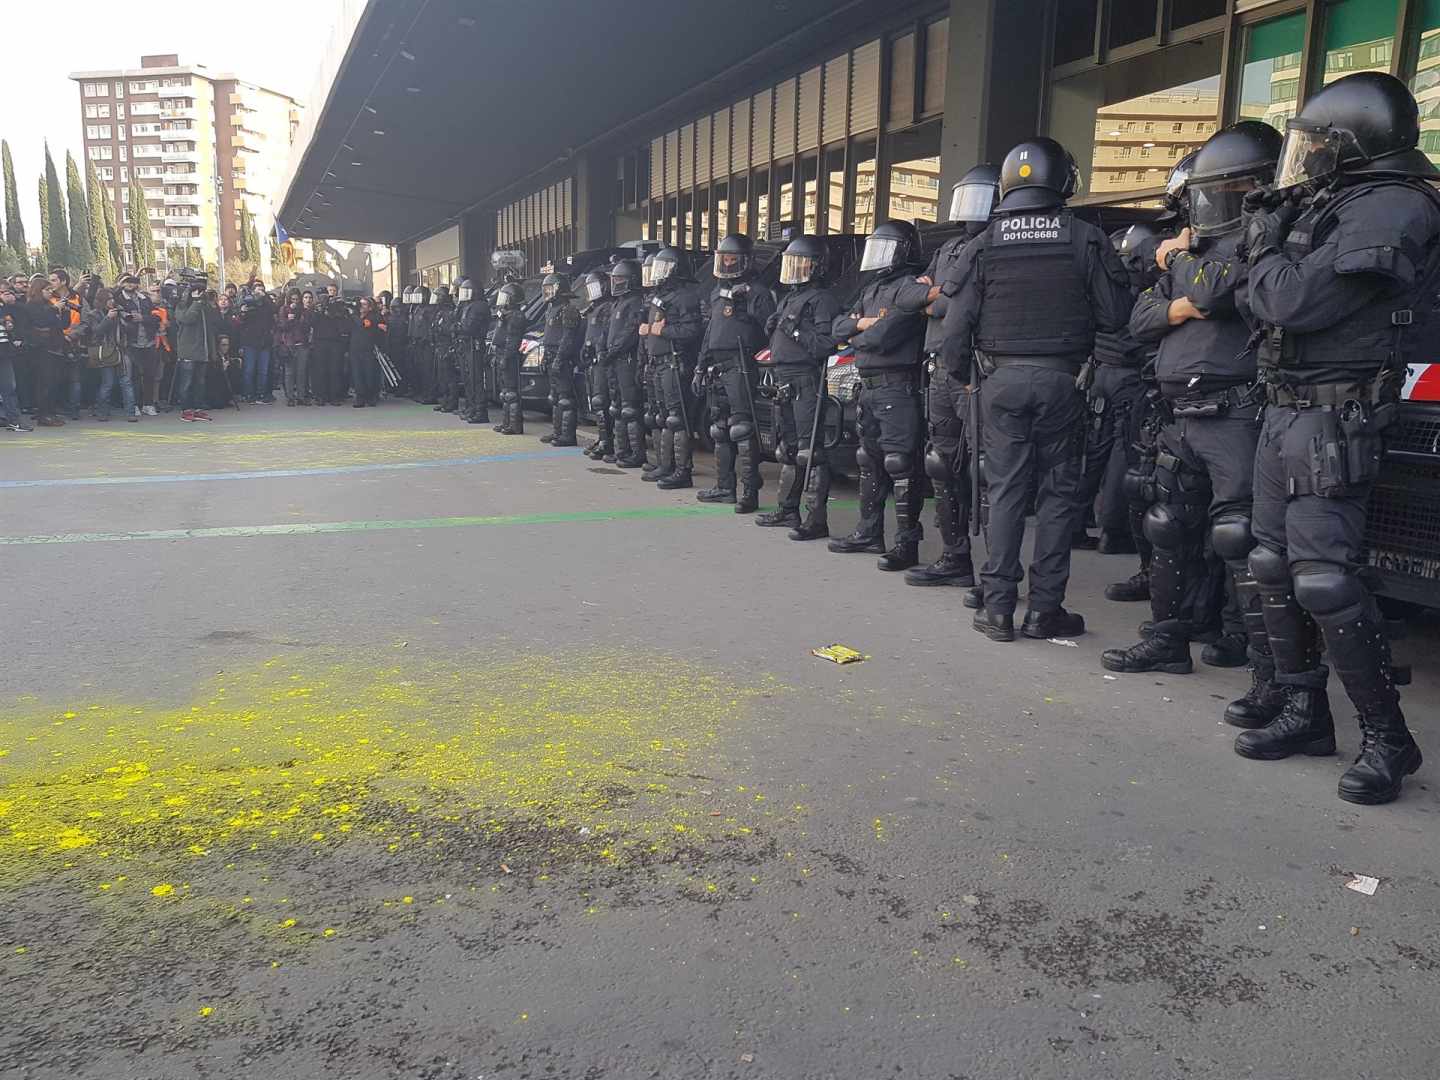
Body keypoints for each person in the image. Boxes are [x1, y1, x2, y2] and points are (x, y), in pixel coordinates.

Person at [1236, 72, 1439, 804]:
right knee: (1269, 564)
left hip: (1335, 417)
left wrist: (1261, 253)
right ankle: (1303, 708)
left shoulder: (1392, 208)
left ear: (1356, 141)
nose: (1310, 157)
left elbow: (1293, 300)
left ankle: (1390, 740)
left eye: (1320, 143)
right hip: (1287, 408)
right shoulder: (1336, 203)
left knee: (1325, 579)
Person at [1098, 120, 1279, 679]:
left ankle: (1256, 658)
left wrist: (1180, 271)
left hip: (1236, 410)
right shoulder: (1195, 247)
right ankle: (1168, 641)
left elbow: (1215, 289)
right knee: (1168, 527)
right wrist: (1183, 303)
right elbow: (1142, 317)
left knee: (1239, 536)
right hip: (1182, 413)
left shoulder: (1260, 240)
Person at [941, 137, 1132, 641]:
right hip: (1063, 382)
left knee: (1003, 492)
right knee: (1058, 497)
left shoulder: (983, 244)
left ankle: (998, 607)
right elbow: (1116, 317)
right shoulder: (1084, 238)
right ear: (1063, 180)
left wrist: (965, 380)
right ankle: (1045, 609)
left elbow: (955, 332)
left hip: (999, 382)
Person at [901, 166, 1000, 582]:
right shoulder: (950, 248)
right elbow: (910, 296)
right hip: (940, 366)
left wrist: (937, 296)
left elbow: (956, 304)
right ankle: (955, 557)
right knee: (941, 464)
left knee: (987, 468)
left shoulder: (996, 243)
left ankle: (995, 574)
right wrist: (937, 295)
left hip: (980, 368)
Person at [829, 220, 929, 568]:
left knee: (900, 463)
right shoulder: (872, 289)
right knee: (868, 461)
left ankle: (906, 543)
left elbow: (881, 338)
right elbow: (837, 326)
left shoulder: (907, 287)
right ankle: (869, 532)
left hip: (897, 385)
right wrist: (861, 324)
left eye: (886, 248)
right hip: (868, 386)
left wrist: (859, 330)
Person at [753, 235, 841, 532]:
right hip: (783, 377)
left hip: (806, 378)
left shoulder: (823, 299)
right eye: (793, 263)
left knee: (810, 451)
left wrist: (795, 333)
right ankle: (787, 510)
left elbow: (826, 344)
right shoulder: (791, 297)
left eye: (802, 263)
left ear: (817, 267)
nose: (796, 269)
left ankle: (816, 519)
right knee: (788, 450)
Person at [696, 234, 777, 509]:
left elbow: (770, 329)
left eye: (733, 260)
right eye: (724, 259)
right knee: (719, 429)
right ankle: (724, 487)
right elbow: (711, 333)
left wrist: (747, 306)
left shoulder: (758, 292)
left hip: (742, 366)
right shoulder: (718, 292)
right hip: (717, 367)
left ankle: (749, 492)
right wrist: (699, 366)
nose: (728, 265)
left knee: (742, 430)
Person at [640, 247, 704, 486]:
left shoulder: (685, 296)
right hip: (657, 363)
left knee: (677, 419)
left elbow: (692, 330)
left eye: (665, 267)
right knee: (663, 417)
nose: (660, 273)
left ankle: (682, 471)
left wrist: (662, 330)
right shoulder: (661, 296)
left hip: (674, 362)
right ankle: (666, 465)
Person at [602, 258, 646, 463]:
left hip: (627, 360)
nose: (616, 282)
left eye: (620, 279)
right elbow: (608, 330)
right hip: (614, 359)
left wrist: (613, 350)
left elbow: (631, 331)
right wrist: (603, 349)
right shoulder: (618, 302)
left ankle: (636, 454)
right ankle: (621, 450)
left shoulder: (636, 301)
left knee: (630, 408)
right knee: (616, 407)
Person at [538, 273, 585, 446]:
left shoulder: (569, 310)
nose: (547, 292)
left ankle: (567, 435)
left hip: (563, 357)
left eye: (550, 289)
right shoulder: (551, 310)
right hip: (551, 354)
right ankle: (557, 432)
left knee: (565, 398)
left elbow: (568, 338)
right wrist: (545, 358)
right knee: (555, 397)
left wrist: (560, 358)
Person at [81, 287, 138, 422]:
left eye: (113, 298)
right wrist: (107, 318)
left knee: (126, 382)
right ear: (102, 300)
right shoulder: (94, 314)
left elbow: (130, 329)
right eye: (109, 299)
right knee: (108, 383)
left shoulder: (119, 311)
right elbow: (96, 332)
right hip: (106, 352)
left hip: (121, 350)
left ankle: (130, 412)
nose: (112, 301)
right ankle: (102, 412)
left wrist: (124, 319)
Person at [173, 278, 221, 422]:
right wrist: (195, 302)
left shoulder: (204, 306)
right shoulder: (182, 306)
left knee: (200, 383)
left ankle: (198, 408)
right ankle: (186, 410)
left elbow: (213, 323)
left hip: (203, 351)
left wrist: (212, 351)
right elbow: (187, 319)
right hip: (188, 351)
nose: (199, 294)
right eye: (197, 291)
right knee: (186, 383)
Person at [581, 270, 615, 460]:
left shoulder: (608, 307)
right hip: (593, 360)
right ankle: (602, 438)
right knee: (596, 402)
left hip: (603, 360)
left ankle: (607, 441)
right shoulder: (595, 308)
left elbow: (605, 334)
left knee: (602, 402)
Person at [491, 282, 529, 434]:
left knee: (511, 392)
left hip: (509, 355)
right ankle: (506, 422)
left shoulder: (516, 316)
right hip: (501, 352)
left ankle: (514, 425)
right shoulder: (506, 315)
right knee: (505, 392)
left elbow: (512, 340)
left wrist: (506, 357)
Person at [454, 278, 490, 423]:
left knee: (476, 380)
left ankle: (480, 411)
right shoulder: (467, 306)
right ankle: (472, 408)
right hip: (466, 345)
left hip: (474, 345)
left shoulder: (479, 306)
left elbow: (469, 327)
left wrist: (458, 327)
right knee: (468, 379)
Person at [0, 281, 33, 431]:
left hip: (4, 351)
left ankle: (13, 420)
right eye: (3, 292)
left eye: (8, 292)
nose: (6, 295)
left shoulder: (7, 309)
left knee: (9, 387)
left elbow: (15, 323)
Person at [349, 297, 386, 407]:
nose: (361, 306)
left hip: (368, 349)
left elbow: (364, 324)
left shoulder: (374, 317)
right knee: (357, 374)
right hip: (355, 349)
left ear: (370, 307)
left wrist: (353, 315)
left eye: (364, 304)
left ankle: (371, 396)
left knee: (369, 374)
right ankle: (360, 397)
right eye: (360, 304)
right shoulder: (354, 316)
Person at [430, 285, 460, 413]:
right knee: (441, 376)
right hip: (439, 346)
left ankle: (452, 402)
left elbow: (450, 331)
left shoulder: (449, 312)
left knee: (449, 376)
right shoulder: (440, 311)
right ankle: (445, 400)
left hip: (447, 346)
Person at [279, 292, 312, 405]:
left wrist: (298, 317)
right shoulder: (284, 309)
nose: (295, 302)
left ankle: (301, 396)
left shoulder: (304, 311)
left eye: (297, 299)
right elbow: (282, 327)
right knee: (289, 373)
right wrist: (289, 318)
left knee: (301, 372)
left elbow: (306, 327)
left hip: (302, 344)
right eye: (292, 299)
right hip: (289, 344)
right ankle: (290, 397)